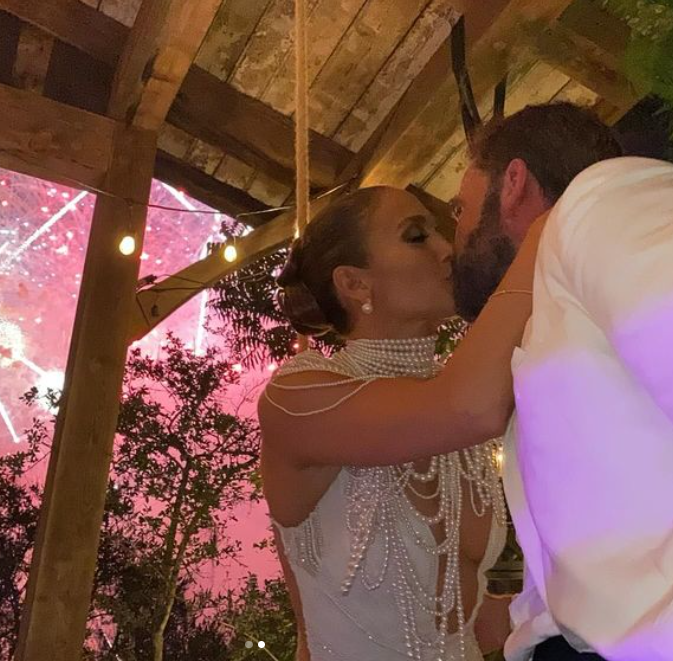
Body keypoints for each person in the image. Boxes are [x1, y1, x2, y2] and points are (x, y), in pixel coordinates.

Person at [258, 185, 542, 660]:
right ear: (355, 284)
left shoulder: (452, 410)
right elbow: (467, 406)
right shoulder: (298, 397)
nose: (445, 248)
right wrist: (542, 239)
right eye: (416, 236)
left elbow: (471, 622)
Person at [448, 103, 673, 661]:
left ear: (513, 183)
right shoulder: (553, 308)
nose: (450, 236)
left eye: (459, 207)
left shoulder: (598, 203)